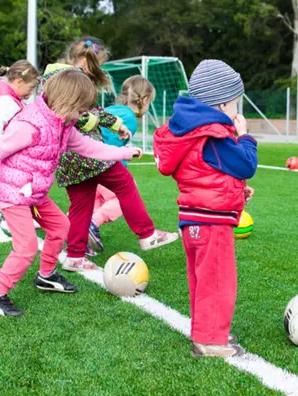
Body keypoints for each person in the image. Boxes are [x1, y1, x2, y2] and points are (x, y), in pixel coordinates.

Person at [0, 70, 142, 316]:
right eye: (81, 111)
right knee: (26, 247)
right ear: (67, 103)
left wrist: (122, 153)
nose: (84, 116)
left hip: (34, 193)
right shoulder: (29, 126)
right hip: (13, 194)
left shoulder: (64, 124)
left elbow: (87, 147)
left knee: (61, 226)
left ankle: (46, 275)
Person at [39, 37, 178, 272]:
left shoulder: (56, 77)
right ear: (84, 61)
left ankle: (74, 256)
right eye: (96, 66)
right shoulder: (68, 80)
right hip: (85, 152)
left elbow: (92, 110)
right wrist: (101, 126)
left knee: (81, 205)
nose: (97, 72)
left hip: (68, 158)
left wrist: (116, 125)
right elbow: (77, 115)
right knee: (124, 184)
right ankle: (147, 234)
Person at [153, 60, 258, 357]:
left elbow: (206, 172)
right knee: (217, 281)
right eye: (236, 104)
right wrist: (245, 136)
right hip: (211, 223)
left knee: (202, 280)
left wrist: (236, 191)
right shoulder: (212, 134)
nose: (237, 111)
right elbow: (246, 163)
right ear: (222, 103)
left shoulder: (191, 131)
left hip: (194, 218)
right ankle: (210, 341)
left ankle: (207, 330)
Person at [88, 75, 155, 252]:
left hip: (87, 162)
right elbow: (110, 145)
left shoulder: (112, 109)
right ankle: (92, 224)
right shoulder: (130, 120)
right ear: (145, 100)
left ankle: (73, 228)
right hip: (103, 165)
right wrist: (125, 154)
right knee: (121, 199)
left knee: (93, 202)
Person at [0, 60, 39, 243]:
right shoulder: (6, 100)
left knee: (23, 183)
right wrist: (1, 151)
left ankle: (23, 217)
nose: (31, 93)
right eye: (30, 88)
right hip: (5, 151)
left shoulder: (10, 97)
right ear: (19, 83)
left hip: (7, 150)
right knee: (12, 186)